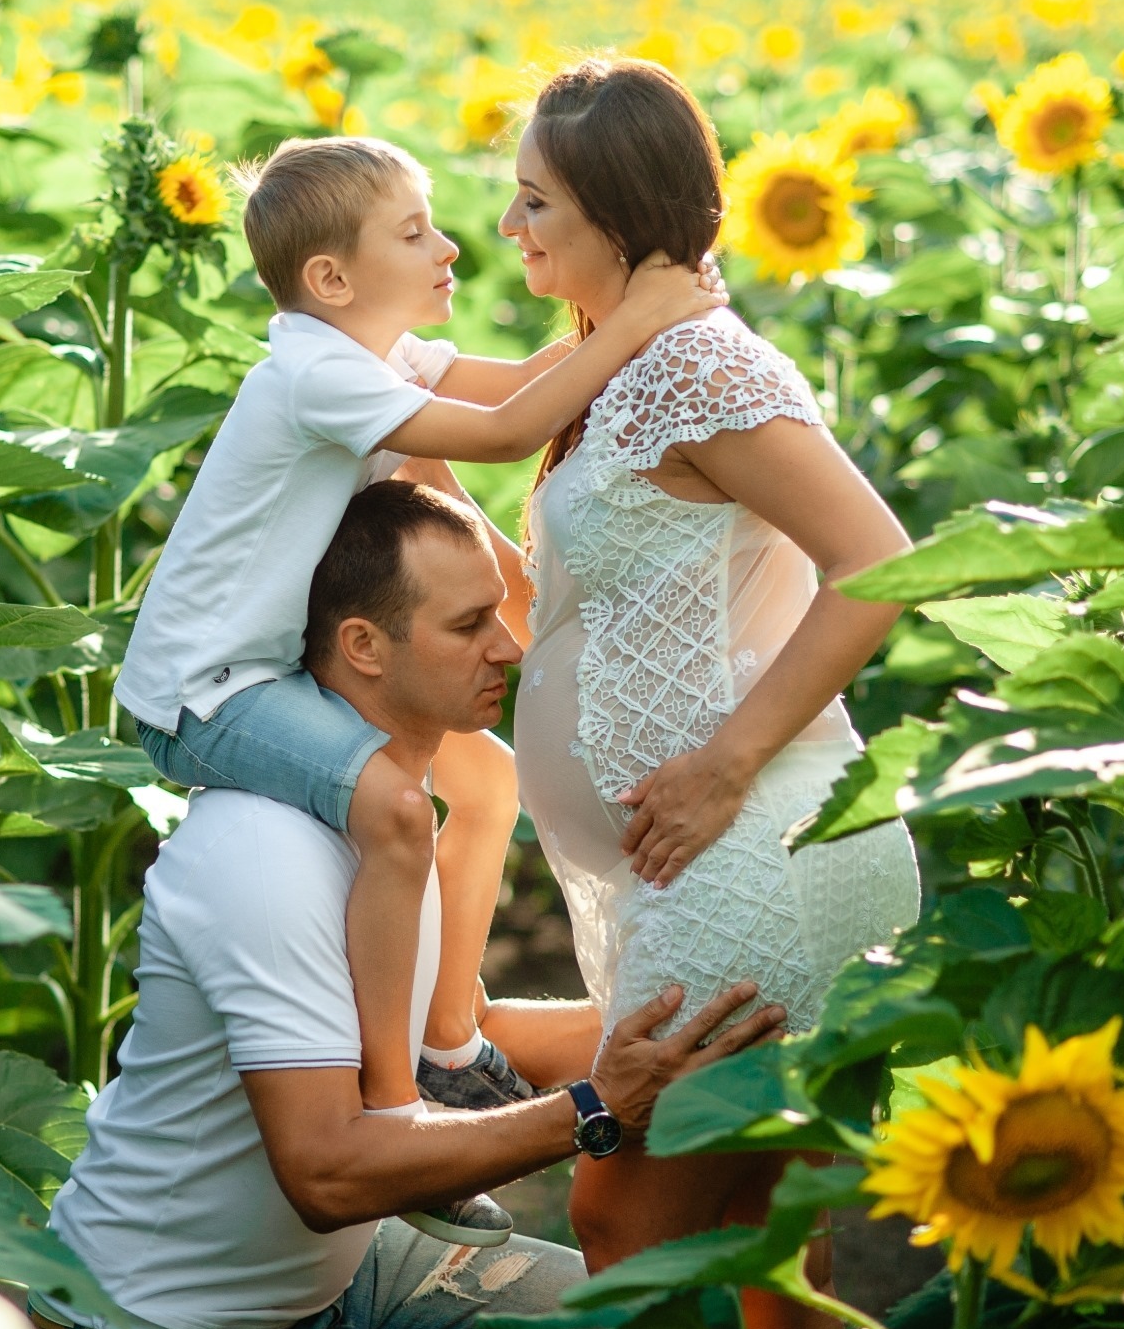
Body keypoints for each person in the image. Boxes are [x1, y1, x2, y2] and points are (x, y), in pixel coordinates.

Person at [34, 481, 786, 1329]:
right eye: (469, 626)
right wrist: (598, 1106)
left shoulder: (393, 815)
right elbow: (325, 1172)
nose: (507, 647)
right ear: (363, 647)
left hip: (343, 1281)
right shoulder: (266, 856)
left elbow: (462, 1035)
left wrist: (694, 1023)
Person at [113, 134, 726, 1246]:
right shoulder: (313, 370)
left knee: (485, 786)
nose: (449, 246)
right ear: (332, 279)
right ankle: (395, 1101)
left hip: (271, 666)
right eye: (414, 232)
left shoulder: (379, 357)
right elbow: (504, 433)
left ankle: (451, 1045)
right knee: (399, 808)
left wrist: (647, 317)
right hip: (204, 692)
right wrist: (638, 321)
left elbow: (525, 381)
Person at [499, 59, 923, 1329]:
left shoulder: (701, 365)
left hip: (748, 849)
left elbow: (876, 562)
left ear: (619, 220)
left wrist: (728, 759)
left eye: (535, 203)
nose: (514, 229)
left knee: (630, 1230)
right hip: (707, 862)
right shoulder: (616, 367)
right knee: (757, 1237)